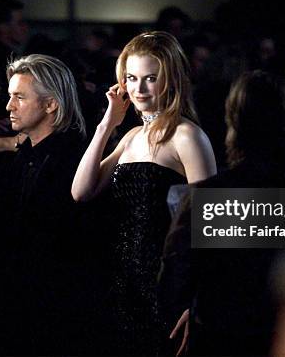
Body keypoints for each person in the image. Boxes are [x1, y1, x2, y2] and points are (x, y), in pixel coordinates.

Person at [71, 31, 216, 354]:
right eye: (131, 78)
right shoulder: (131, 136)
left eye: (151, 78)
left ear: (172, 79)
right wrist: (107, 124)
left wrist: (197, 303)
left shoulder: (187, 136)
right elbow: (81, 191)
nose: (139, 89)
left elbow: (211, 224)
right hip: (122, 282)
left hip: (167, 286)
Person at [160, 70, 285, 356]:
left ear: (235, 121)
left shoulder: (208, 196)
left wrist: (194, 308)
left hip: (220, 339)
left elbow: (174, 279)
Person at [0, 54, 92, 355]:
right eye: (10, 96)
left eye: (19, 97)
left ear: (51, 104)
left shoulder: (75, 160)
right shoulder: (15, 157)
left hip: (52, 312)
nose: (9, 107)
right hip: (11, 306)